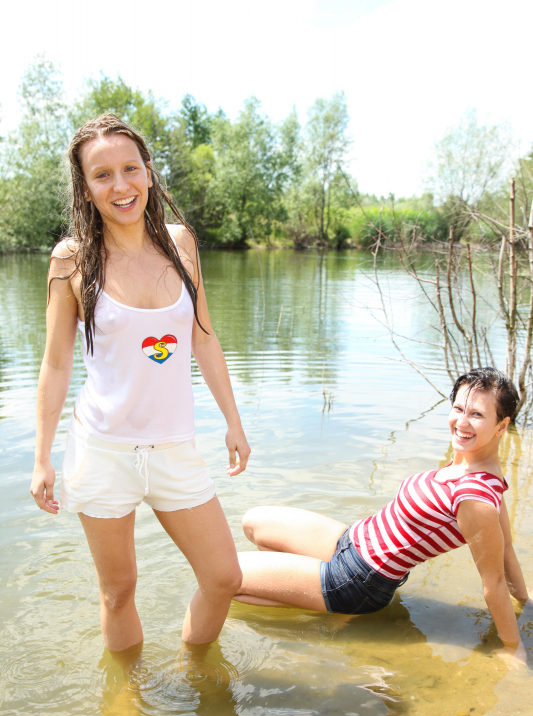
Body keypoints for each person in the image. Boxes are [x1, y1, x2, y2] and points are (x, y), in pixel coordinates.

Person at [30, 114, 250, 651]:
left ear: (149, 173)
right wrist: (41, 458)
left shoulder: (181, 244)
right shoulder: (72, 260)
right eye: (102, 174)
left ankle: (197, 678)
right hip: (102, 448)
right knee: (118, 591)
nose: (120, 185)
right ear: (85, 187)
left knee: (224, 578)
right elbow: (56, 363)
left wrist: (233, 422)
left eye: (130, 168)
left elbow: (203, 337)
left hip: (174, 447)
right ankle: (127, 705)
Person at [235, 368, 530, 666]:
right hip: (350, 541)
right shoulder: (480, 471)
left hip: (360, 580)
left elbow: (492, 581)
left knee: (226, 578)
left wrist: (511, 646)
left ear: (501, 426)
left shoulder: (475, 498)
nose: (462, 422)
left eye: (477, 415)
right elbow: (505, 549)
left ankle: (332, 612)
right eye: (458, 408)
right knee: (253, 523)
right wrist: (527, 602)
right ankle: (312, 595)